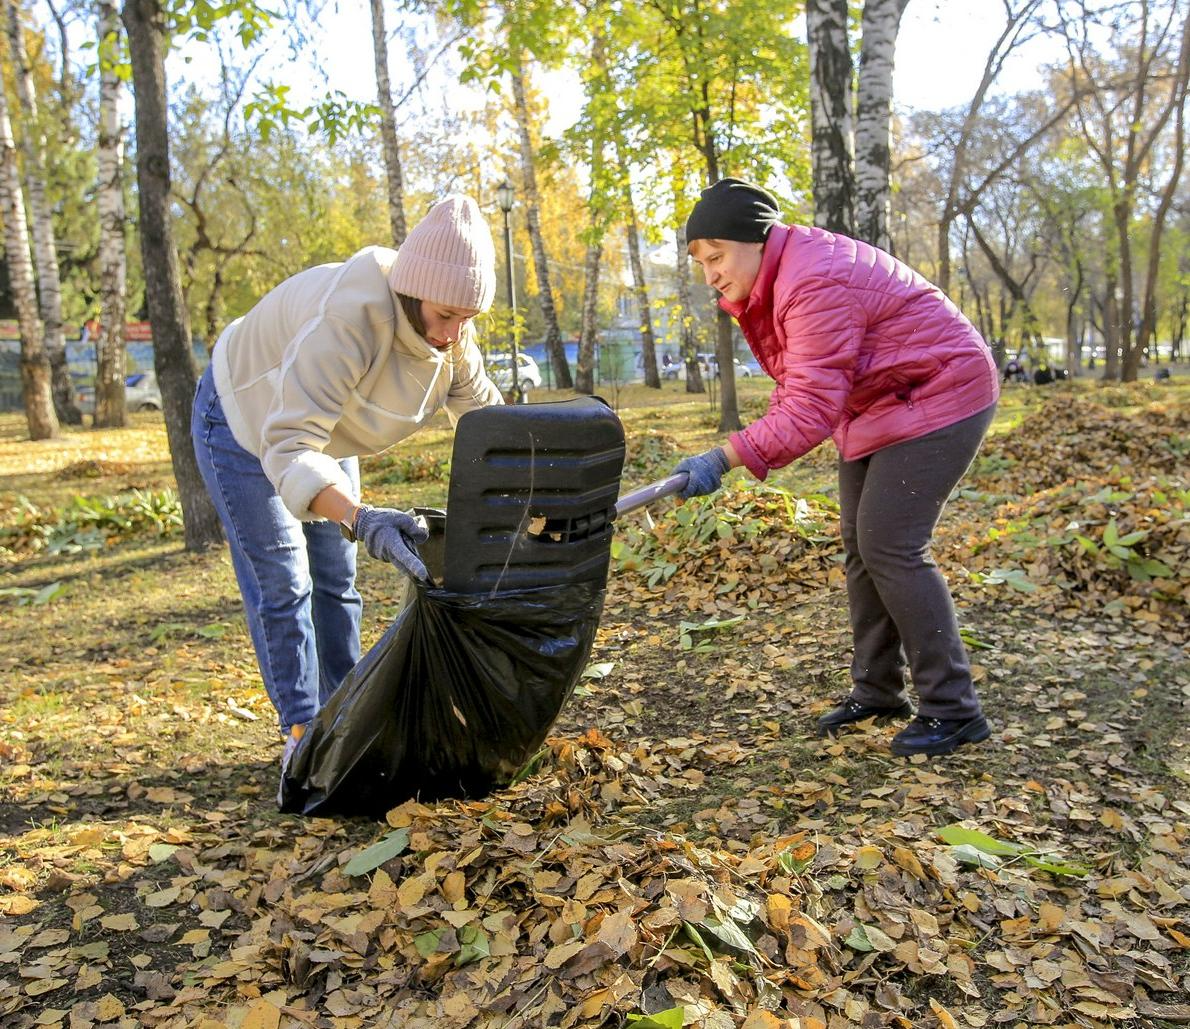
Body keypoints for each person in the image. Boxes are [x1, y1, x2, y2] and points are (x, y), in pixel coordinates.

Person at [670, 179, 1000, 757]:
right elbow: (804, 384)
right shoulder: (780, 278)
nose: (710, 275)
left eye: (716, 256)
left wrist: (723, 458)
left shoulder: (813, 277)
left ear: (756, 239)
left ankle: (954, 709)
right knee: (860, 544)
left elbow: (809, 409)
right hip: (882, 403)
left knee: (891, 545)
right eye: (701, 262)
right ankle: (877, 691)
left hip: (942, 390)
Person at [191, 196, 504, 785]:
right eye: (445, 315)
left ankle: (346, 718)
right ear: (412, 291)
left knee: (337, 579)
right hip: (244, 420)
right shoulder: (350, 318)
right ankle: (304, 740)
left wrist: (536, 478)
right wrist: (362, 518)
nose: (454, 333)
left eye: (468, 318)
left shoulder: (453, 334)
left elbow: (487, 420)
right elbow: (287, 448)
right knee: (285, 580)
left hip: (320, 431)